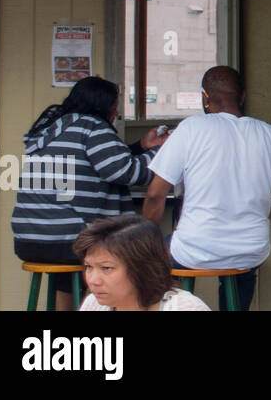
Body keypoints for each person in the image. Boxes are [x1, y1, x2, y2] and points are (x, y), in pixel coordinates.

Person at [141, 66, 271, 311]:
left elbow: (155, 194)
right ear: (243, 96)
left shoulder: (191, 128)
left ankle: (175, 305)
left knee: (156, 259)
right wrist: (267, 177)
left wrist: (146, 242)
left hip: (194, 249)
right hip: (250, 250)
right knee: (241, 270)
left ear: (205, 98)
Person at [12, 76, 168, 310]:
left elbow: (103, 160)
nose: (115, 113)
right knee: (122, 259)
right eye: (115, 107)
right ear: (102, 105)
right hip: (69, 240)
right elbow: (128, 173)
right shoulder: (92, 127)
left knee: (71, 271)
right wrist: (161, 153)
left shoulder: (49, 129)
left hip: (31, 239)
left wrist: (141, 146)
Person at [76, 214, 210, 311]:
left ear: (142, 268)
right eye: (88, 267)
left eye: (106, 268)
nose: (93, 280)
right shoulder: (94, 305)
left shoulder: (184, 308)